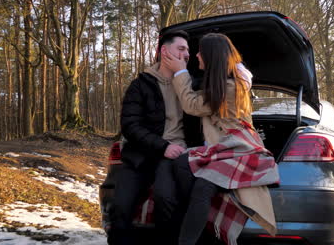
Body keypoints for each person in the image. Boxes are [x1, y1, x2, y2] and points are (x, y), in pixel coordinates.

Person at [162, 33, 280, 245]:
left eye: (200, 51)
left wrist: (180, 71)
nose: (196, 55)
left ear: (212, 56)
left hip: (239, 149)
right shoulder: (230, 80)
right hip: (224, 148)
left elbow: (192, 105)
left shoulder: (230, 87)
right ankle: (197, 222)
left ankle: (190, 237)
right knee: (184, 167)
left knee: (202, 186)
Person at [107, 30, 190, 245]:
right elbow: (130, 125)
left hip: (175, 155)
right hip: (141, 153)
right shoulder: (141, 85)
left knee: (166, 199)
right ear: (164, 51)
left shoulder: (192, 85)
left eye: (188, 50)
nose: (187, 54)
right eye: (181, 49)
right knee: (120, 207)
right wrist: (162, 146)